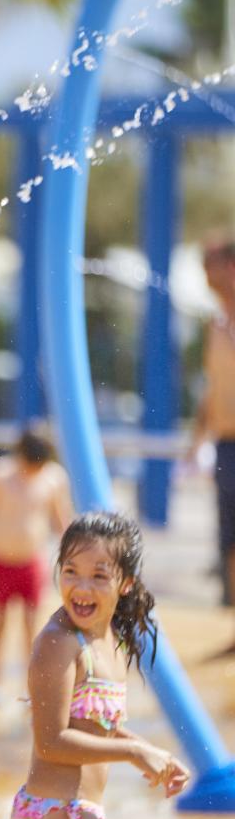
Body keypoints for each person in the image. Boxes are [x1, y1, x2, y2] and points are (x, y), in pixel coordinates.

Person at [10, 512, 189, 819]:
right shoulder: (59, 642)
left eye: (98, 576)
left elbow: (95, 727)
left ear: (125, 583)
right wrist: (132, 753)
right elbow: (52, 742)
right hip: (57, 815)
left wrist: (150, 752)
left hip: (57, 817)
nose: (81, 587)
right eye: (70, 571)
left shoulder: (109, 639)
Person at [0, 429, 73, 707]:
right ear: (20, 456)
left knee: (32, 629)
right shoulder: (0, 475)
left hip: (31, 563)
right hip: (2, 562)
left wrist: (72, 558)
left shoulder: (53, 478)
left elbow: (61, 520)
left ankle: (28, 686)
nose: (33, 471)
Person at [191, 236, 235, 656]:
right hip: (225, 443)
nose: (206, 275)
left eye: (213, 265)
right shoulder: (216, 324)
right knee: (229, 538)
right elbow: (213, 387)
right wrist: (196, 437)